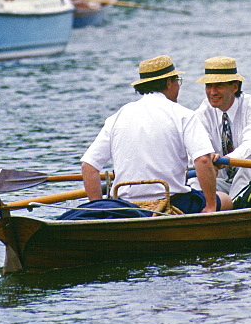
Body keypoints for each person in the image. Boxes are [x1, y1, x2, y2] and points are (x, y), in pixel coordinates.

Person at [81, 55, 230, 213]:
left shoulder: (117, 116)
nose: (178, 87)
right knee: (225, 199)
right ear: (168, 83)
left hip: (123, 205)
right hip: (172, 202)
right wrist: (210, 206)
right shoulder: (183, 114)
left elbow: (88, 167)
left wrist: (98, 208)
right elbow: (203, 161)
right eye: (177, 81)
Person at [193, 56, 251, 199]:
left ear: (235, 87)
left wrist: (224, 160)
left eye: (219, 85)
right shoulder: (202, 113)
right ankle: (202, 211)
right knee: (195, 180)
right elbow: (197, 150)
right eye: (209, 86)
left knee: (246, 169)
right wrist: (208, 160)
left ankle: (231, 211)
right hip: (225, 181)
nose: (212, 92)